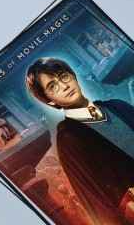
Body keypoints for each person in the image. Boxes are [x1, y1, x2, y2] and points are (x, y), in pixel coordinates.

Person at [25, 57, 134, 225]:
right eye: (53, 86)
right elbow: (95, 202)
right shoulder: (69, 139)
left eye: (63, 77)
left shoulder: (118, 105)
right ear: (49, 100)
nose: (64, 86)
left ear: (73, 76)